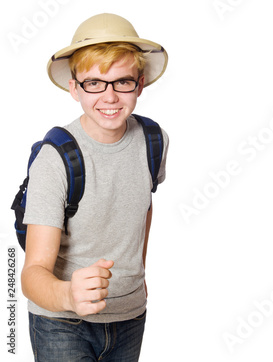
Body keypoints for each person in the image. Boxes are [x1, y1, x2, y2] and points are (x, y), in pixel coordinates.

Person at [20, 13, 168, 361]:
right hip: (61, 323)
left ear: (140, 84)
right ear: (75, 88)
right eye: (94, 83)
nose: (110, 96)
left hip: (130, 316)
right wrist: (70, 296)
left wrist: (138, 273)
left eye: (122, 82)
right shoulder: (55, 159)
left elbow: (143, 205)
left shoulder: (153, 141)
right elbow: (31, 273)